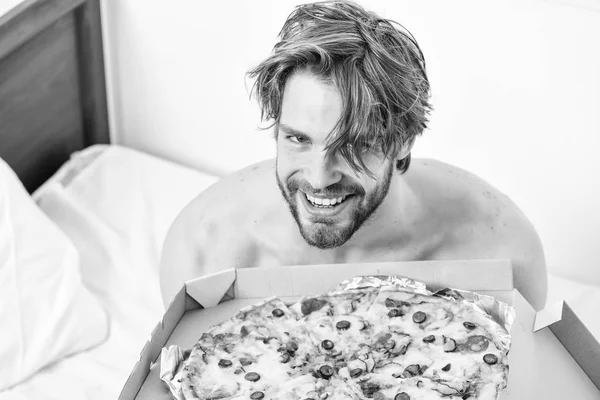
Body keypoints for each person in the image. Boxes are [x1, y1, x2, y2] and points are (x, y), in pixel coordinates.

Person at [159, 0, 547, 310]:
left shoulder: (497, 255)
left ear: (403, 141)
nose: (319, 177)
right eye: (298, 139)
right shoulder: (205, 256)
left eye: (353, 144)